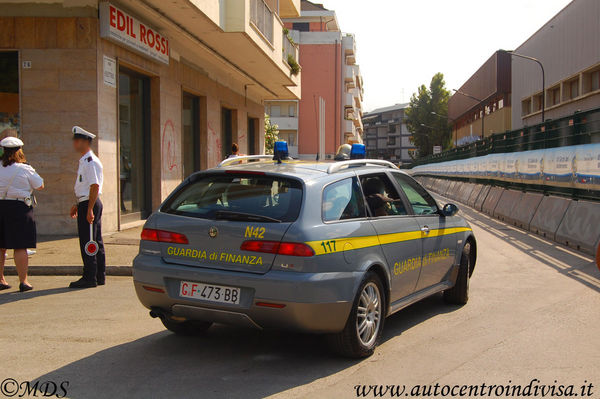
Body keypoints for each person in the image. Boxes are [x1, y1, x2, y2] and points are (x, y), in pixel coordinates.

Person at [0, 137, 44, 292]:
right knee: (20, 246)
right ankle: (23, 281)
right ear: (19, 151)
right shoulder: (25, 168)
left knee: (1, 246)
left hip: (1, 205)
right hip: (19, 208)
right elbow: (40, 185)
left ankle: (0, 279)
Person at [69, 126, 105, 289]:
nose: (74, 143)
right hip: (86, 202)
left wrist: (89, 208)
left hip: (90, 202)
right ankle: (98, 275)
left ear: (85, 142)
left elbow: (94, 186)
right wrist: (79, 205)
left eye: (77, 140)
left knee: (88, 240)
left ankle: (90, 276)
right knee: (94, 239)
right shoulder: (85, 160)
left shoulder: (90, 161)